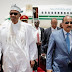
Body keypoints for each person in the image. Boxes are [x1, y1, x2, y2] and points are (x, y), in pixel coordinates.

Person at [0, 4, 38, 72]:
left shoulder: (27, 28)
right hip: (9, 60)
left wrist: (32, 58)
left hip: (23, 59)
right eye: (11, 13)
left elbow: (32, 43)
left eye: (15, 13)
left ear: (19, 15)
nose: (13, 15)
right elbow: (0, 44)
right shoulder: (4, 28)